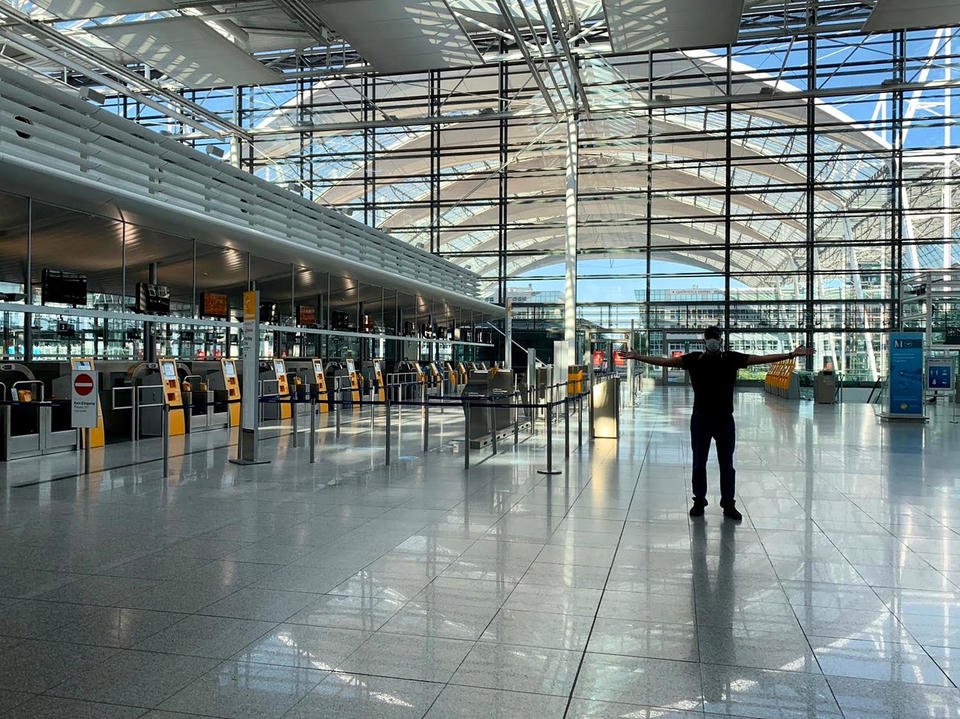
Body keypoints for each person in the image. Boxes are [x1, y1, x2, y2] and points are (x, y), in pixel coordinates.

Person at [624, 326, 815, 521]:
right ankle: (699, 501)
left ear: (721, 341)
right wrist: (638, 356)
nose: (713, 341)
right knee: (699, 463)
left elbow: (761, 359)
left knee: (727, 464)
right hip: (701, 419)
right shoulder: (694, 359)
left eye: (716, 338)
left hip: (724, 419)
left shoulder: (731, 358)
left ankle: (728, 504)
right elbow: (665, 362)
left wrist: (792, 354)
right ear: (704, 341)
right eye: (710, 338)